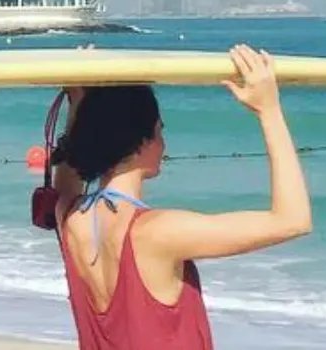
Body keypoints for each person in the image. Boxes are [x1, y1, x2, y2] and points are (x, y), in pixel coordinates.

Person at [49, 44, 311, 348]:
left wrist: (78, 98)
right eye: (160, 131)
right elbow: (293, 220)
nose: (164, 144)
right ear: (141, 141)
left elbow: (66, 178)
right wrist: (270, 111)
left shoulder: (70, 220)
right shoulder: (157, 233)